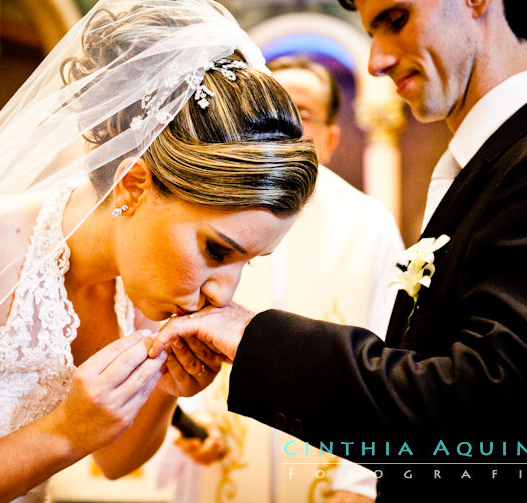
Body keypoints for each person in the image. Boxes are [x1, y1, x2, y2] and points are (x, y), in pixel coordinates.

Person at [0, 1, 318, 501]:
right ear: (133, 185)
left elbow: (116, 459)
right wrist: (61, 435)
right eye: (218, 251)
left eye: (247, 263)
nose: (224, 294)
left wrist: (165, 393)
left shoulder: (143, 283)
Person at [151, 0, 527, 501]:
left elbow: (496, 410)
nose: (375, 61)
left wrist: (255, 337)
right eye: (370, 32)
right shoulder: (491, 167)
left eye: (396, 19)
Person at [166, 55, 403, 503]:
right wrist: (192, 418)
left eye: (304, 114)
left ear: (332, 138)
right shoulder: (216, 210)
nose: (286, 127)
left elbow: (386, 349)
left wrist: (357, 481)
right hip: (220, 466)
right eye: (274, 109)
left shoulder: (369, 225)